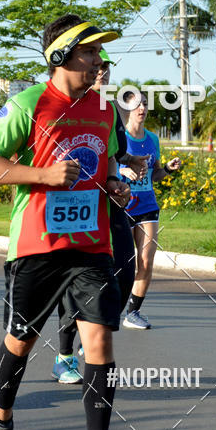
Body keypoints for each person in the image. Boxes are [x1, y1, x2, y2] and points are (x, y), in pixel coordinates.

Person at [0, 14, 134, 430]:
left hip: (91, 245)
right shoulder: (29, 104)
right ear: (61, 56)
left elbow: (100, 169)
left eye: (100, 53)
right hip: (36, 246)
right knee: (20, 341)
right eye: (90, 53)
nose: (99, 61)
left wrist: (111, 188)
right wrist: (42, 176)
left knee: (99, 341)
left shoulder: (104, 110)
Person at [52, 49, 145, 384]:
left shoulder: (107, 109)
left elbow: (113, 153)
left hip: (105, 202)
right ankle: (64, 354)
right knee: (73, 280)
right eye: (96, 65)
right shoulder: (59, 104)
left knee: (124, 270)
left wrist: (126, 169)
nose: (101, 71)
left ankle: (90, 330)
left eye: (105, 67)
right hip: (69, 208)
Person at [119, 90, 181, 329]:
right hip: (122, 205)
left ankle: (133, 312)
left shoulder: (153, 139)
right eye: (136, 104)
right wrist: (122, 171)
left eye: (145, 104)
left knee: (146, 260)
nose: (142, 108)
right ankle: (106, 309)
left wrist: (167, 168)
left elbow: (154, 174)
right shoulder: (119, 137)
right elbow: (107, 169)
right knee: (122, 263)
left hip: (147, 205)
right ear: (126, 109)